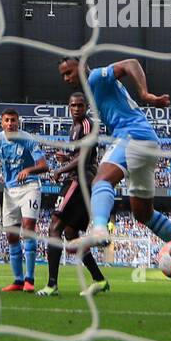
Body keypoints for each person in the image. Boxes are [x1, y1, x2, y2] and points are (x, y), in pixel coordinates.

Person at [57, 55, 171, 289]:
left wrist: (145, 95)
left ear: (82, 67)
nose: (66, 78)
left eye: (69, 72)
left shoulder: (96, 77)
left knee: (101, 180)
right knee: (143, 214)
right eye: (63, 75)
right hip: (147, 143)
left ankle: (99, 229)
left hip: (133, 135)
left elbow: (131, 63)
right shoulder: (94, 93)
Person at [40, 91, 108, 296]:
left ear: (86, 106)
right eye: (73, 106)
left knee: (54, 228)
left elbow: (85, 159)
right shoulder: (75, 127)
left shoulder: (87, 125)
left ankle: (52, 285)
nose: (76, 109)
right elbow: (78, 155)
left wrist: (62, 169)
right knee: (70, 233)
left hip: (79, 182)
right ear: (68, 107)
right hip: (80, 182)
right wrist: (67, 158)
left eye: (80, 105)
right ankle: (99, 279)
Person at [0, 108, 49, 293]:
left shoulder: (27, 139)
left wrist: (28, 171)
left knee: (28, 228)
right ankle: (18, 280)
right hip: (10, 190)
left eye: (13, 120)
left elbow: (44, 166)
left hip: (30, 187)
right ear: (2, 123)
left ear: (18, 122)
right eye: (7, 120)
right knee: (11, 235)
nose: (10, 123)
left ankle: (30, 279)